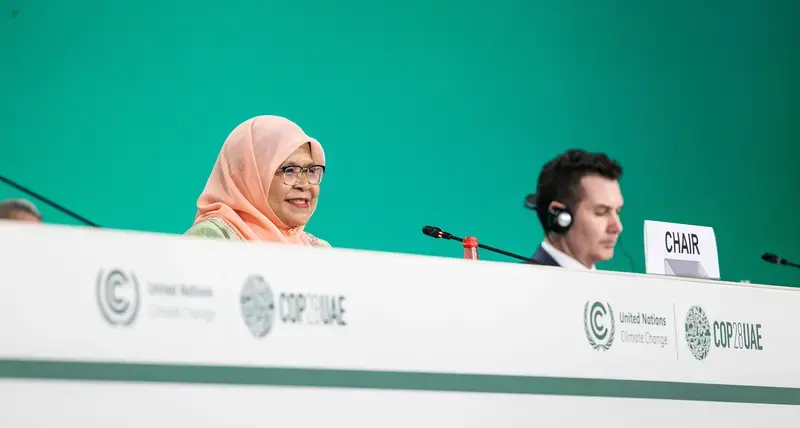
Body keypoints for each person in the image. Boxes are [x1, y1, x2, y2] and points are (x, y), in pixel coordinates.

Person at [185, 115, 330, 247]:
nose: (305, 184)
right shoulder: (211, 238)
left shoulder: (318, 250)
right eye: (290, 170)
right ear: (250, 176)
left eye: (311, 171)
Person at [529, 149, 623, 269]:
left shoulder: (613, 287)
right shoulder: (522, 286)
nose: (617, 227)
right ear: (559, 217)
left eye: (617, 211)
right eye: (601, 212)